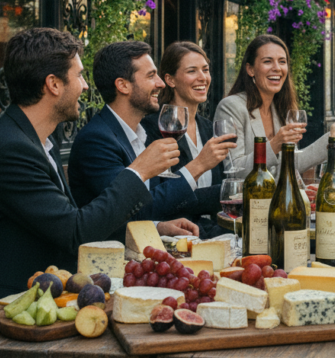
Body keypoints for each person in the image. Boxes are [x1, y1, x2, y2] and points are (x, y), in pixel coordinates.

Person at [0, 28, 197, 358]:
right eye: (78, 76)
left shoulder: (35, 141)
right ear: (53, 84)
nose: (84, 86)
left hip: (51, 288)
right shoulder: (11, 150)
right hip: (9, 312)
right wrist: (139, 170)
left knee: (161, 343)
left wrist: (154, 228)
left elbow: (74, 220)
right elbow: (75, 231)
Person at [69, 41, 235, 223]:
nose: (161, 83)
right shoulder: (97, 140)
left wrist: (161, 227)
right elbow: (129, 210)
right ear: (123, 86)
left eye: (205, 69)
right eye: (151, 76)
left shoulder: (139, 135)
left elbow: (152, 201)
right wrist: (200, 165)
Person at [214, 34, 335, 175]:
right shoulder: (231, 107)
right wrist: (275, 144)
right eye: (267, 61)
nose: (277, 68)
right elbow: (234, 171)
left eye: (282, 61)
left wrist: (333, 135)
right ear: (250, 69)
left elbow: (292, 164)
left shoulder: (279, 108)